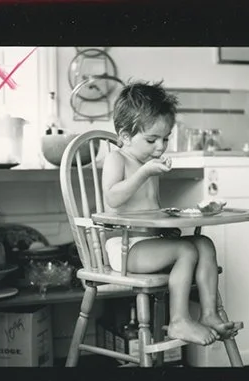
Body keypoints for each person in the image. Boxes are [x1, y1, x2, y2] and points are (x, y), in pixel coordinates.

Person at [101, 81, 241, 348]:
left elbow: (150, 209)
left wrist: (170, 222)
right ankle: (179, 320)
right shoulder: (117, 159)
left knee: (203, 244)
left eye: (165, 139)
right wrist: (144, 173)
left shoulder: (147, 164)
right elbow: (112, 199)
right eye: (151, 140)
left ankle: (209, 314)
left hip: (149, 243)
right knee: (185, 252)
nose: (160, 147)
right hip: (125, 247)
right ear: (126, 136)